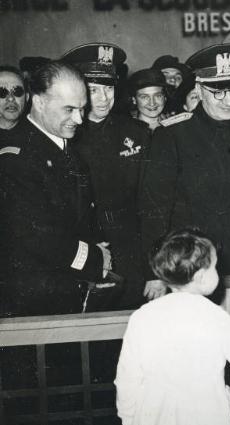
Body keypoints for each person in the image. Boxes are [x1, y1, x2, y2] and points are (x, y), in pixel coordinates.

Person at [114, 228, 230, 425]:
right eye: (216, 267)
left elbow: (127, 377)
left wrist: (128, 416)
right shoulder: (218, 319)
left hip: (153, 419)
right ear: (202, 277)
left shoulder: (142, 317)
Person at [139, 43, 230, 300]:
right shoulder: (172, 134)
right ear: (199, 89)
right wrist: (155, 271)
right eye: (218, 92)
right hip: (192, 268)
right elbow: (154, 210)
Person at [0, 61, 112, 316]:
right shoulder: (15, 157)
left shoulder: (65, 149)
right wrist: (95, 258)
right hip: (33, 300)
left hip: (65, 289)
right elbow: (36, 236)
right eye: (69, 109)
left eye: (82, 109)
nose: (79, 119)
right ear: (39, 102)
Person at [62, 43, 150, 309]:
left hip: (131, 245)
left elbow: (150, 199)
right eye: (94, 90)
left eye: (109, 88)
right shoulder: (66, 134)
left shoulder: (137, 132)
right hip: (84, 245)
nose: (103, 98)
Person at [0, 65, 29, 141]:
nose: (10, 98)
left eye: (17, 92)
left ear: (27, 98)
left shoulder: (37, 137)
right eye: (2, 92)